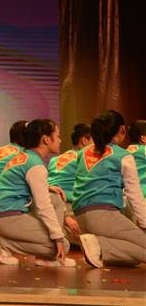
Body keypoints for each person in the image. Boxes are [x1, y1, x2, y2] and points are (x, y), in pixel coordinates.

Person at [0, 119, 77, 267]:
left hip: (3, 213)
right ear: (46, 139)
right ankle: (3, 243)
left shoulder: (26, 156)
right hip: (8, 216)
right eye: (58, 136)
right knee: (61, 245)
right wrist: (58, 238)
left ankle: (44, 258)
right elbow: (43, 206)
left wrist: (47, 187)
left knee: (55, 197)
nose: (60, 140)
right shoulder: (35, 165)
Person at [73, 110, 146, 268]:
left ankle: (99, 249)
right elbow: (134, 195)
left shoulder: (82, 153)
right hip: (103, 215)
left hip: (80, 216)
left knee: (133, 255)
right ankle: (99, 244)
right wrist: (145, 223)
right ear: (122, 129)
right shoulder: (123, 156)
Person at [47, 123, 92, 243]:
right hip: (68, 208)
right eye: (94, 141)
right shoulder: (85, 160)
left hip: (51, 206)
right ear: (84, 141)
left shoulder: (54, 159)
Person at [126, 120, 146, 199]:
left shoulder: (125, 152)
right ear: (143, 138)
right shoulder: (144, 150)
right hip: (143, 195)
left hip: (127, 195)